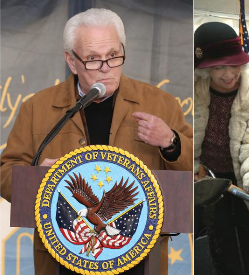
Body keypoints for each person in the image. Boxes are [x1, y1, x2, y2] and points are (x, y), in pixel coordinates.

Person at [0, 8, 193, 275]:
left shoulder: (161, 103)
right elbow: (5, 172)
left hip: (139, 256)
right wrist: (35, 179)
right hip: (62, 257)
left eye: (113, 56)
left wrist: (171, 142)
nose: (105, 68)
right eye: (92, 59)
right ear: (72, 61)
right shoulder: (37, 107)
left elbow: (192, 171)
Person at [193, 22, 249, 275]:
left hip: (243, 171)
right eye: (217, 67)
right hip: (206, 175)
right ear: (203, 70)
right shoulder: (190, 89)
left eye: (233, 65)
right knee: (219, 235)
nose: (228, 74)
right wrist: (193, 166)